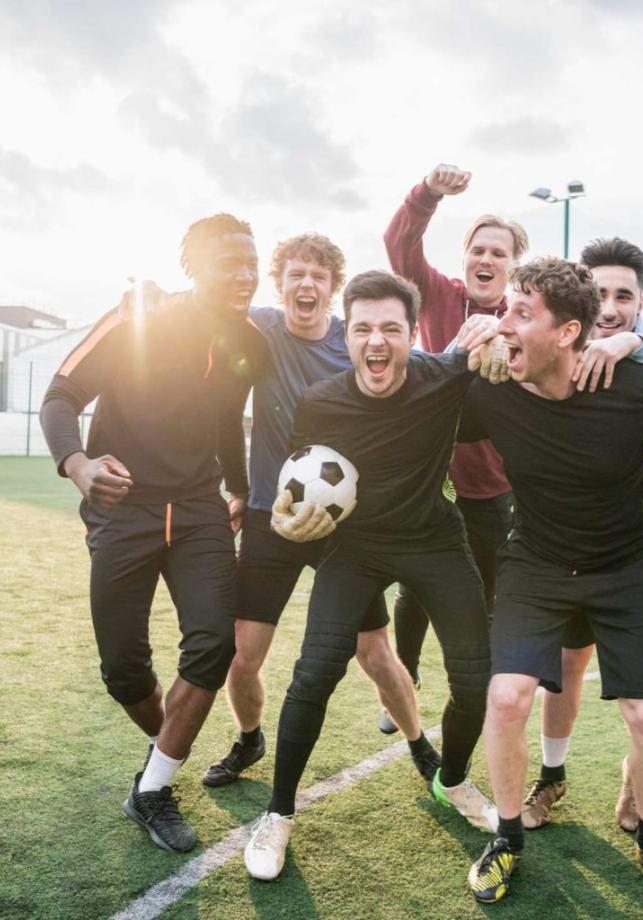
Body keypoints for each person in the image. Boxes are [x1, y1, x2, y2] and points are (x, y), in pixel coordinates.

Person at [243, 269, 496, 882]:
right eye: (362, 329)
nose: (376, 341)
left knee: (475, 678)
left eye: (390, 328)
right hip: (354, 550)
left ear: (413, 334)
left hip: (435, 541)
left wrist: (494, 328)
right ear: (346, 333)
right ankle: (277, 815)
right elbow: (305, 479)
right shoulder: (320, 401)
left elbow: (496, 337)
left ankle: (454, 780)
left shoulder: (446, 376)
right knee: (314, 673)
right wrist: (289, 520)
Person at [460, 256, 643, 906]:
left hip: (629, 567)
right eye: (504, 309)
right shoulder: (492, 387)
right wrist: (462, 348)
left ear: (567, 334)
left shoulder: (634, 388)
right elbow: (415, 403)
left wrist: (641, 342)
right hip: (535, 564)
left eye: (520, 313)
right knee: (506, 699)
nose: (502, 323)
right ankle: (507, 837)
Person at [39, 213, 270, 853]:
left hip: (199, 510)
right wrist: (79, 464)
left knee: (211, 644)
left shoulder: (248, 339)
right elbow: (60, 395)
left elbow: (228, 419)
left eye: (252, 263)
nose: (246, 274)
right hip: (124, 509)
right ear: (193, 266)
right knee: (122, 668)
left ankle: (154, 787)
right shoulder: (139, 318)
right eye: (231, 262)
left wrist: (241, 487)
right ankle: (167, 745)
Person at [200, 233, 439, 789]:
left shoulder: (354, 340)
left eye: (319, 276)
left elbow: (421, 364)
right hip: (268, 518)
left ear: (332, 289)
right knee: (241, 656)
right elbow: (205, 312)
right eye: (296, 274)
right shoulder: (258, 329)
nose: (306, 284)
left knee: (375, 653)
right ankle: (248, 739)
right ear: (279, 283)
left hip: (339, 525)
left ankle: (419, 743)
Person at [519, 238, 643, 840]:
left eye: (626, 296)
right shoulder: (553, 347)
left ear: (642, 301)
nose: (612, 307)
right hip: (575, 532)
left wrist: (636, 344)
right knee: (565, 665)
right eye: (602, 294)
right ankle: (552, 776)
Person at [381, 163, 527, 732]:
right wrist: (428, 194)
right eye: (479, 250)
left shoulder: (524, 319)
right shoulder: (440, 295)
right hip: (426, 474)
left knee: (483, 592)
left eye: (500, 252)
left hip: (492, 484)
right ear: (466, 257)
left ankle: (477, 691)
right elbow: (400, 245)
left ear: (514, 266)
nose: (487, 260)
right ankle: (404, 679)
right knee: (414, 582)